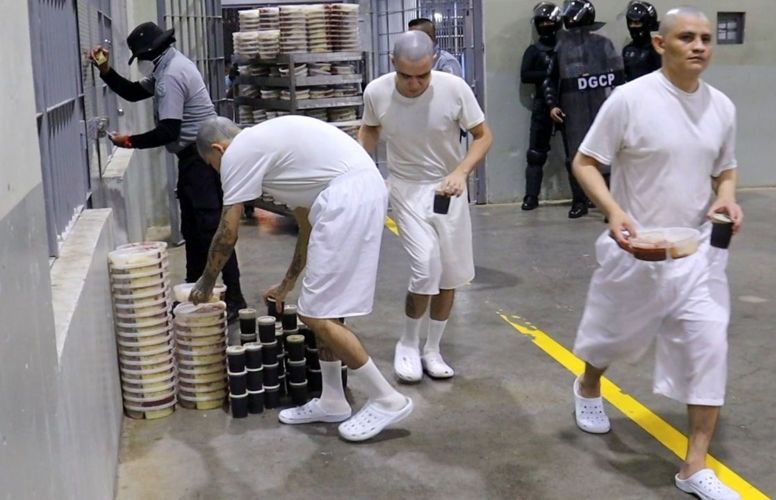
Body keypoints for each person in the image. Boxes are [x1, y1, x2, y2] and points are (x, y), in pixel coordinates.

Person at [570, 7, 742, 499]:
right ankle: (587, 385)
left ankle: (694, 467)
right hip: (636, 250)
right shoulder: (629, 100)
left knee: (709, 348)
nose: (699, 46)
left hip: (699, 254)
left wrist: (727, 196)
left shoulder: (722, 107)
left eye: (706, 38)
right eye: (686, 37)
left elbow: (725, 170)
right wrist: (614, 210)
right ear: (660, 44)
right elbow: (585, 162)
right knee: (610, 339)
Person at [189, 116, 413, 442]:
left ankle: (387, 398)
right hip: (352, 195)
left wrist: (206, 281)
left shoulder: (239, 152)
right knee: (326, 309)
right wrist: (287, 283)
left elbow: (227, 231)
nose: (216, 171)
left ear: (217, 149)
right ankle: (333, 399)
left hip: (348, 198)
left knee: (316, 314)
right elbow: (306, 227)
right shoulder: (276, 156)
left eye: (212, 165)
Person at [359, 31, 493, 383]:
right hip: (405, 188)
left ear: (433, 63)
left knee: (448, 275)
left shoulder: (454, 89)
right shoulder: (376, 92)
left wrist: (461, 171)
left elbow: (483, 135)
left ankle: (432, 348)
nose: (415, 84)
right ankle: (407, 342)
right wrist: (362, 168)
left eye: (423, 75)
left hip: (448, 189)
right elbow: (370, 130)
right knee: (425, 266)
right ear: (393, 64)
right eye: (406, 76)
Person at [88, 22, 246, 319]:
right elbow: (134, 92)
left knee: (212, 228)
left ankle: (235, 297)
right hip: (196, 156)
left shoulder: (170, 75)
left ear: (147, 52)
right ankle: (193, 292)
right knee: (193, 230)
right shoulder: (169, 65)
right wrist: (105, 70)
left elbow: (168, 131)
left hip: (202, 158)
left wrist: (130, 141)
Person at [543, 0, 625, 219]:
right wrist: (552, 104)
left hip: (600, 104)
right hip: (573, 107)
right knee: (576, 155)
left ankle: (609, 205)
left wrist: (618, 102)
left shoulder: (603, 44)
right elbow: (550, 78)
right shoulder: (561, 47)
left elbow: (618, 74)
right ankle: (579, 201)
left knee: (606, 154)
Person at [520, 2, 562, 211]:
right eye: (542, 22)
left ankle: (583, 198)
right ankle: (531, 196)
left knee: (577, 153)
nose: (546, 25)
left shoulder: (565, 48)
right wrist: (548, 74)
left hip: (567, 102)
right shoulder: (534, 50)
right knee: (535, 154)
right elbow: (525, 75)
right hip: (541, 105)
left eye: (549, 21)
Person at [622, 1, 661, 81]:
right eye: (631, 23)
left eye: (637, 23)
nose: (633, 26)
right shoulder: (627, 50)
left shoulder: (657, 49)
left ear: (647, 23)